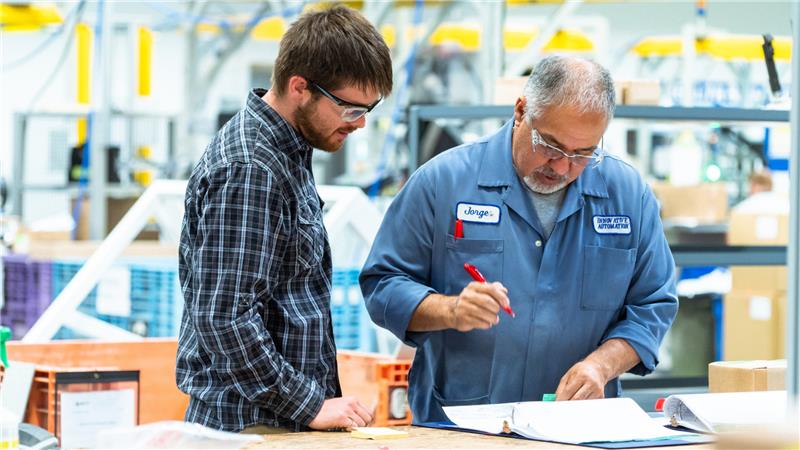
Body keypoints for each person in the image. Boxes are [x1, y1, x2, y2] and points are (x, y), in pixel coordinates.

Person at [360, 55, 678, 423]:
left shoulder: (627, 195)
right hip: (461, 426)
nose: (562, 167)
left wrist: (602, 366)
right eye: (551, 146)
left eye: (582, 154)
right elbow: (383, 284)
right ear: (521, 111)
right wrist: (449, 309)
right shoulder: (443, 182)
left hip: (578, 424)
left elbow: (654, 304)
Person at [176, 6, 392, 433]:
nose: (361, 123)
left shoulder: (287, 153)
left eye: (369, 109)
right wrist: (309, 405)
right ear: (299, 87)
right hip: (249, 427)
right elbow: (225, 318)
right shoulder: (252, 168)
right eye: (350, 108)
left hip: (276, 420)